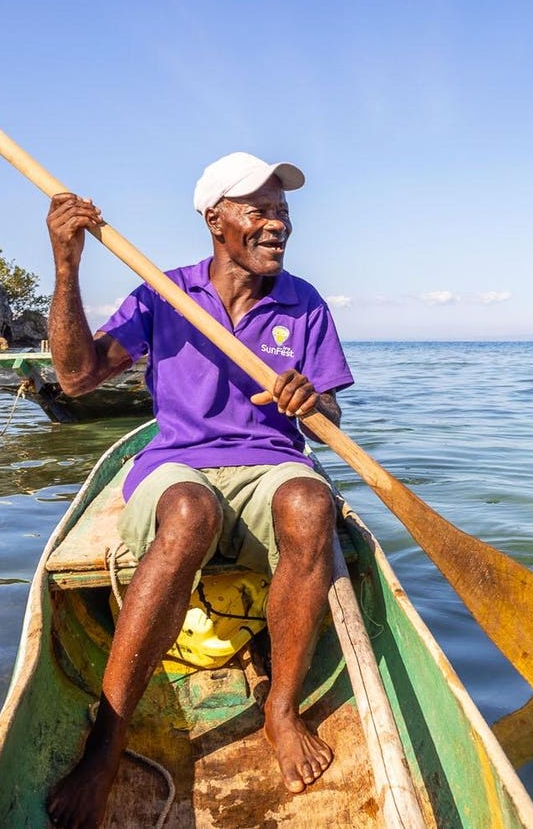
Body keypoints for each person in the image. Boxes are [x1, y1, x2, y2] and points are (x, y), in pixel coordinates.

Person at [43, 152, 354, 828]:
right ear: (216, 220)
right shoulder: (165, 293)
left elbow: (331, 416)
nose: (277, 225)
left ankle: (280, 709)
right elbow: (75, 378)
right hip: (177, 465)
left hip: (270, 463)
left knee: (311, 504)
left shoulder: (304, 304)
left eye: (283, 212)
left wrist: (311, 402)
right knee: (188, 512)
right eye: (260, 210)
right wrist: (67, 268)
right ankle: (108, 740)